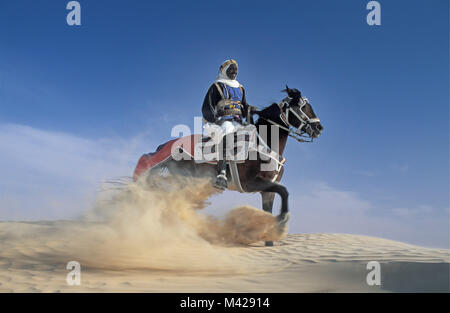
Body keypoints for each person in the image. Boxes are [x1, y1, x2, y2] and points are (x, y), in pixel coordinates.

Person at [201, 59, 255, 189]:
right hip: (223, 121)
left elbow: (244, 107)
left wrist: (251, 111)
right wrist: (214, 120)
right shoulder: (217, 86)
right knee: (227, 134)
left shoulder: (241, 88)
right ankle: (222, 173)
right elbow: (206, 107)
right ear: (224, 71)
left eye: (236, 70)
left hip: (238, 121)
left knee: (255, 134)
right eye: (231, 70)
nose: (234, 72)